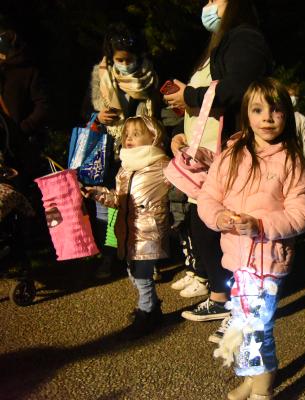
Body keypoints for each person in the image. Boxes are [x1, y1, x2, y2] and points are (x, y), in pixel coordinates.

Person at [197, 78, 305, 400]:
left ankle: (262, 387)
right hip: (237, 258)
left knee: (257, 325)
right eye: (258, 109)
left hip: (269, 261)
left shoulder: (291, 160)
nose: (267, 118)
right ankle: (251, 378)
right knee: (243, 320)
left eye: (275, 110)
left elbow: (303, 213)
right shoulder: (232, 154)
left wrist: (262, 225)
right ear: (246, 115)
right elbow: (209, 197)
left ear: (287, 115)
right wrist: (219, 218)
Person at [164, 0, 272, 335]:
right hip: (209, 154)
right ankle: (221, 296)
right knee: (205, 224)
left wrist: (191, 97)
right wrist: (182, 132)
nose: (208, 5)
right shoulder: (224, 41)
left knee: (229, 230)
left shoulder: (245, 37)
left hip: (230, 153)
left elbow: (237, 88)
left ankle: (241, 308)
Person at [84, 23, 160, 279]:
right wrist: (98, 115)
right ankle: (111, 255)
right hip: (109, 153)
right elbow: (85, 110)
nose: (125, 64)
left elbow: (159, 114)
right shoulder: (100, 76)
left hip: (142, 154)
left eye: (129, 59)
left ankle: (147, 256)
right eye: (119, 59)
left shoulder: (150, 77)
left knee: (144, 206)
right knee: (107, 209)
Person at [84, 116, 171, 339]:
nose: (129, 139)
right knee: (133, 272)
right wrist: (97, 193)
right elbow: (118, 199)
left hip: (149, 229)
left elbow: (183, 178)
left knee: (142, 274)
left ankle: (147, 311)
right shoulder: (125, 168)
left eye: (136, 134)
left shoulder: (162, 164)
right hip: (128, 229)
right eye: (126, 135)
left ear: (153, 137)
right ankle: (152, 308)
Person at [0, 15, 50, 194]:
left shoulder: (28, 71)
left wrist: (23, 128)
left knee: (18, 194)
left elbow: (43, 106)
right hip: (4, 143)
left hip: (19, 146)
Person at [287, 83, 305, 158]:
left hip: (297, 156)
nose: (293, 98)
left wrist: (304, 158)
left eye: (295, 96)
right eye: (290, 95)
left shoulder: (302, 118)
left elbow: (304, 140)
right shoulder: (279, 116)